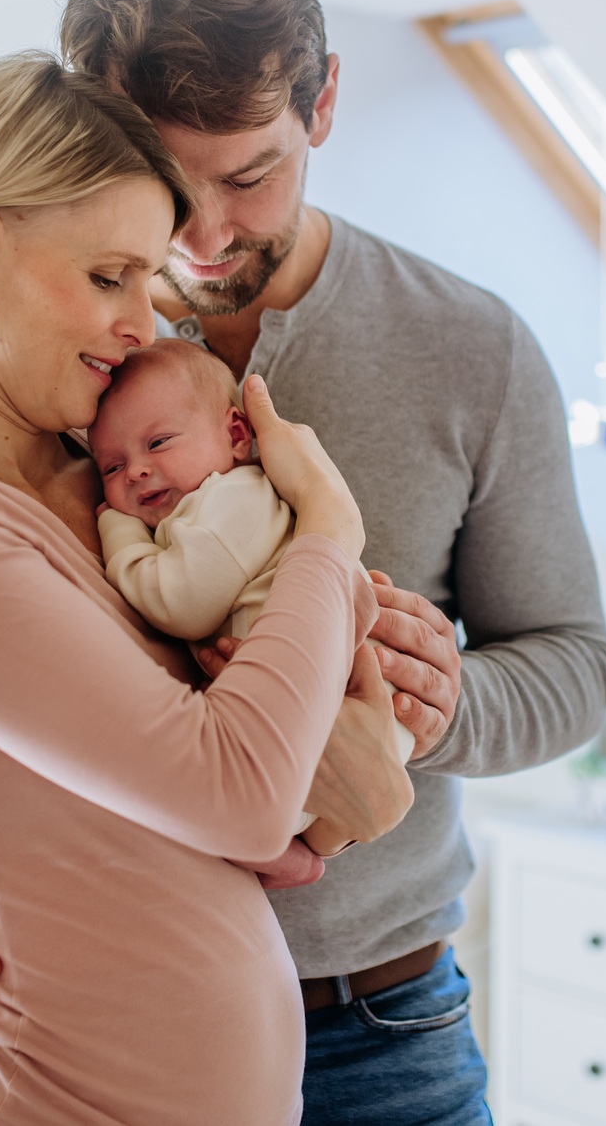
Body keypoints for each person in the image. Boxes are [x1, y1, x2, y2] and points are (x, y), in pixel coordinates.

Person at [0, 0, 606, 1125]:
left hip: (375, 1032)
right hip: (69, 1035)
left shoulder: (468, 349)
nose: (200, 241)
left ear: (320, 105)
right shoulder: (49, 351)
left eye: (248, 176)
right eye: (160, 184)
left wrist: (437, 704)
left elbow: (577, 668)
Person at [0, 50, 413, 1124]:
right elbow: (234, 787)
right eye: (107, 277)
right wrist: (329, 524)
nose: (145, 323)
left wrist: (371, 742)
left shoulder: (94, 471)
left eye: (146, 277)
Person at [89, 339, 416, 857]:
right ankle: (314, 845)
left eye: (159, 443)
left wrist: (117, 527)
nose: (135, 471)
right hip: (330, 730)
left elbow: (179, 603)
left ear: (237, 433)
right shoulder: (209, 507)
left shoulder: (230, 504)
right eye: (109, 467)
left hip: (335, 721)